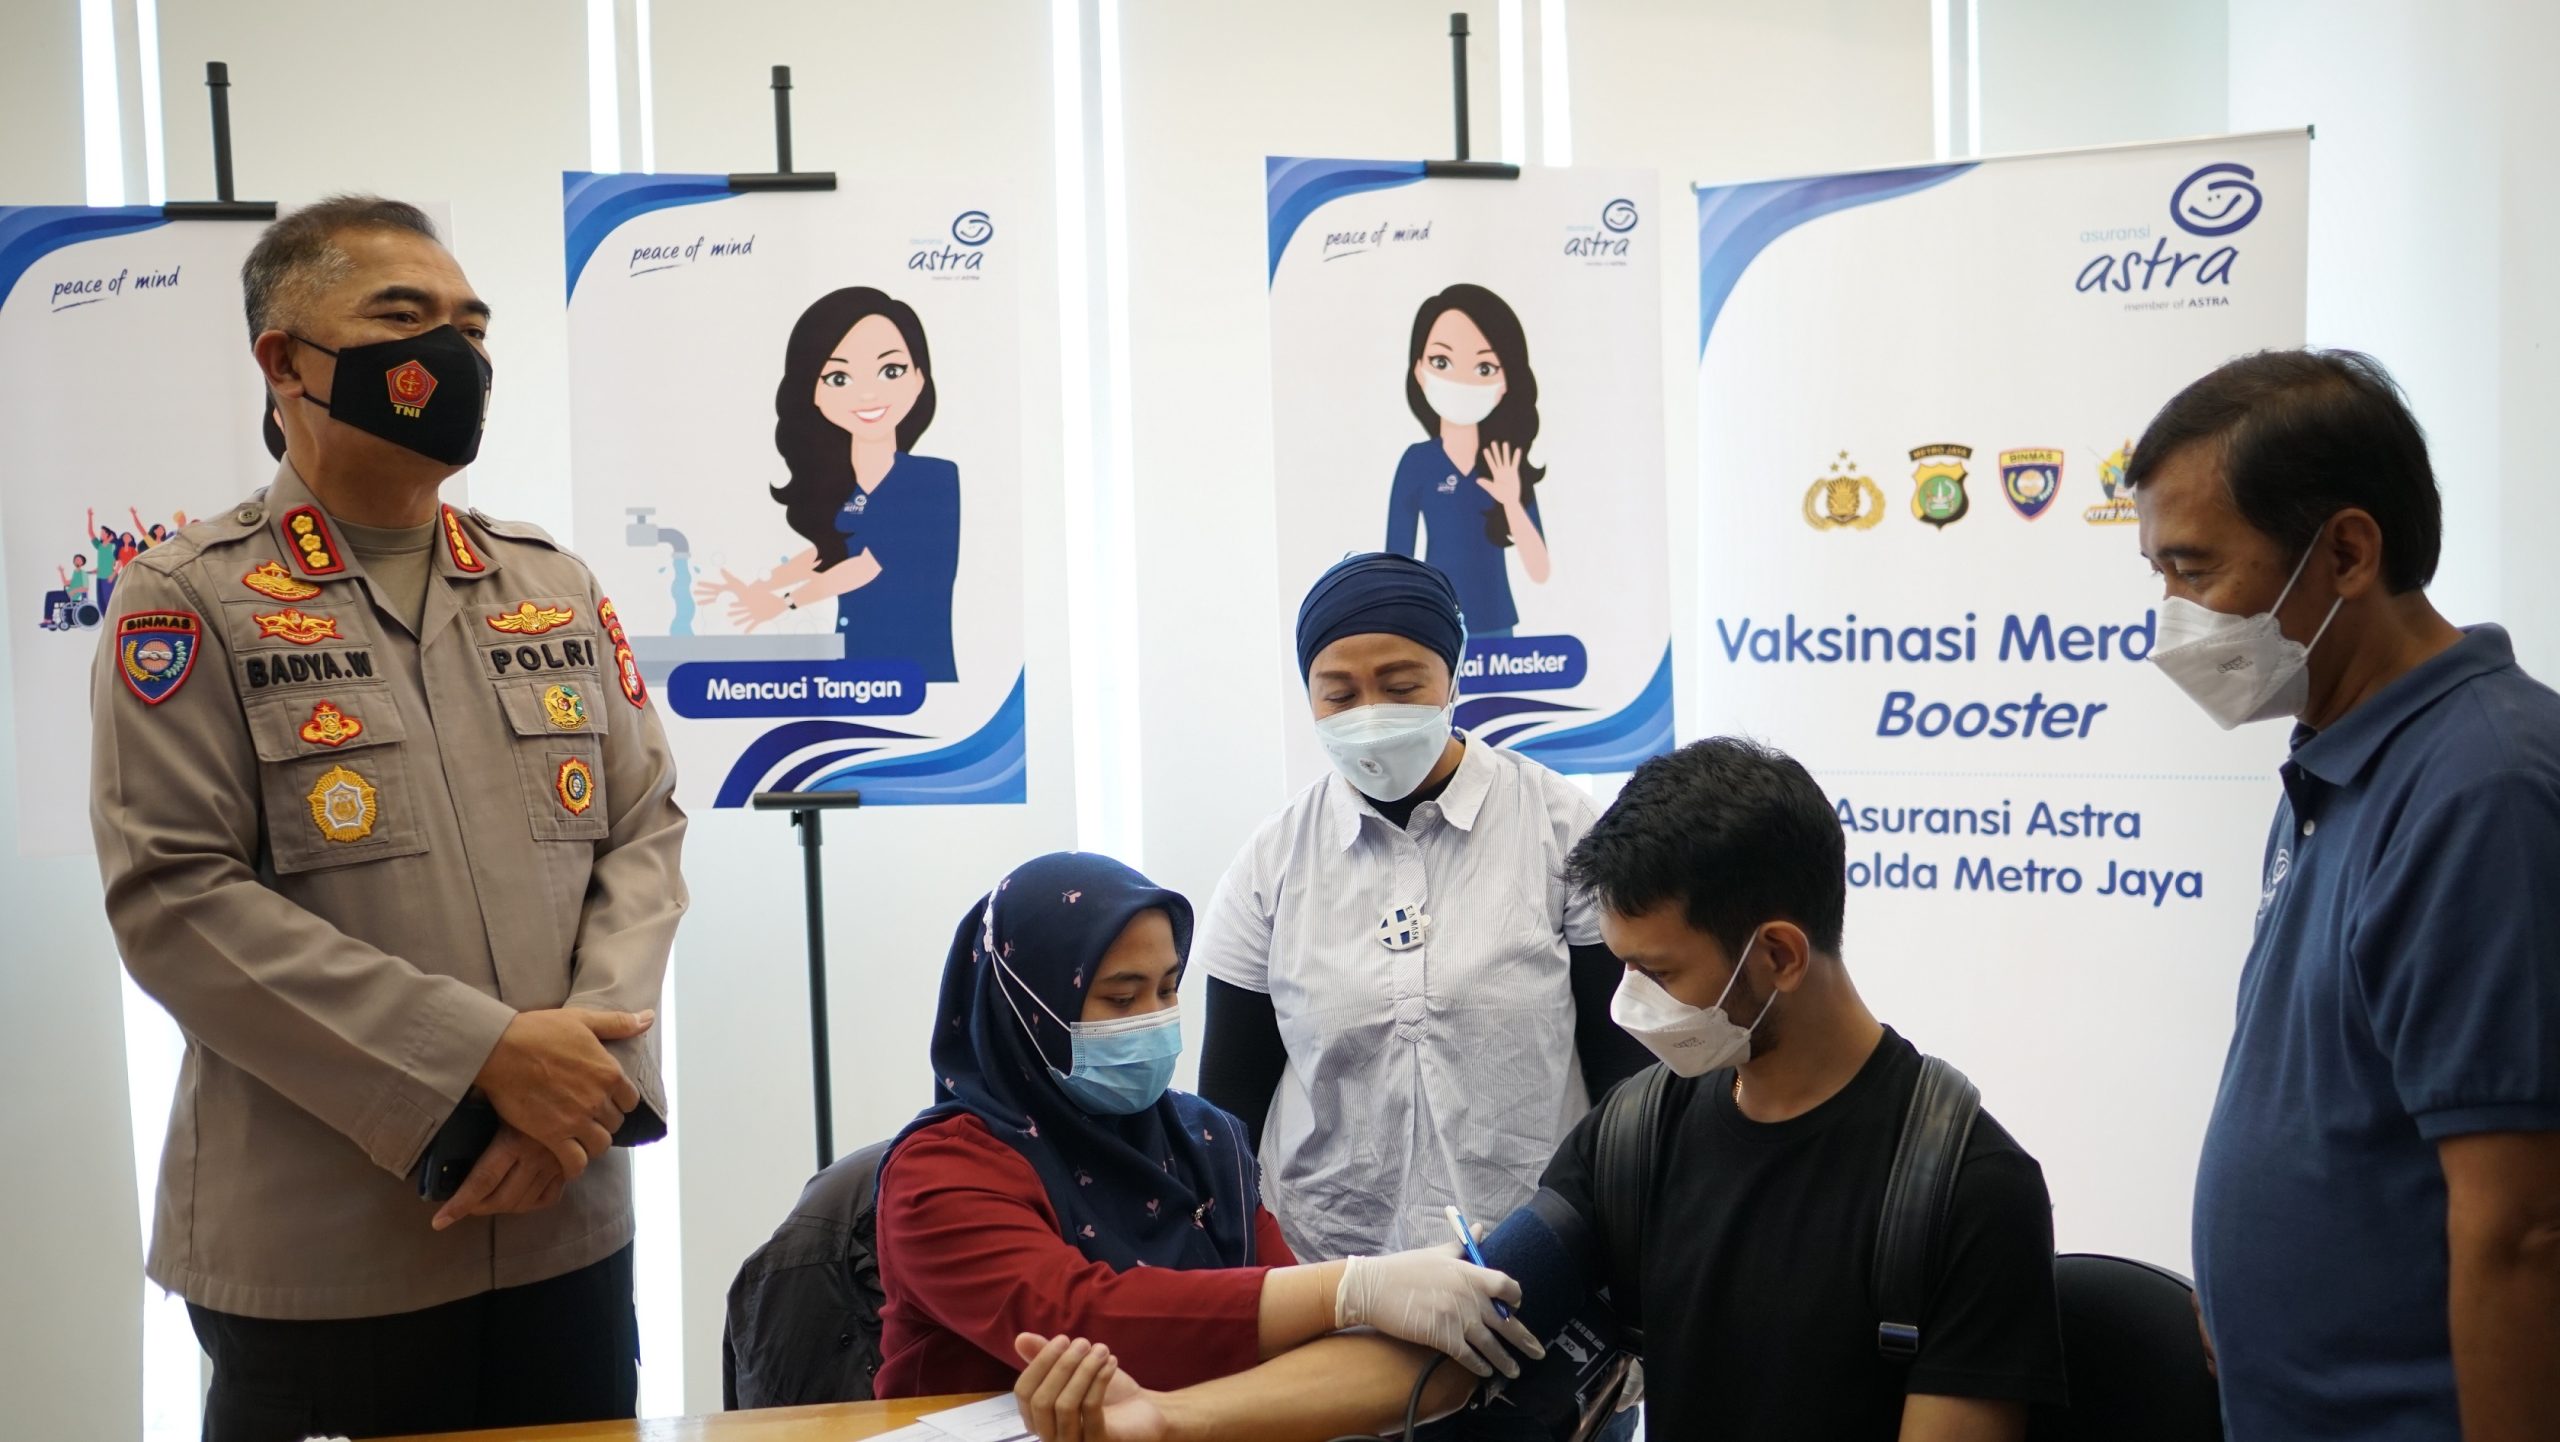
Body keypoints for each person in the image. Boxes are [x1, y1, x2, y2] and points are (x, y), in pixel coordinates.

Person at [88, 195, 688, 1441]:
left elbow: (644, 828)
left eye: (473, 323)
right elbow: (178, 901)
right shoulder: (188, 600)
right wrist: (478, 1061)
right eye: (404, 319)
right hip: (326, 1252)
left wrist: (580, 1074)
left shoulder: (550, 583)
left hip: (564, 1221)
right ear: (285, 360)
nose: (455, 352)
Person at [1012, 738, 2068, 1442]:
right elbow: (1447, 1343)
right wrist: (1158, 1417)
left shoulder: (1959, 1183)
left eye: (1657, 972)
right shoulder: (1641, 1135)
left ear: (1778, 952)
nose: (1630, 1007)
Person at [2127, 348, 2560, 1441]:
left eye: (2194, 568)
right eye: (2158, 576)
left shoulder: (2483, 786)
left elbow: (2523, 1224)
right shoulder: (2334, 751)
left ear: (2347, 552)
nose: (2168, 615)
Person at [871, 851, 1541, 1399]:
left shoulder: (1204, 1138)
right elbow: (1082, 1321)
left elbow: (1292, 1332)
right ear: (1027, 1008)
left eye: (1167, 989)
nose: (1155, 1017)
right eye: (1120, 997)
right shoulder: (941, 1174)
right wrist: (1353, 1287)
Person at [1196, 555, 1649, 1280]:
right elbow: (1229, 1108)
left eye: (1402, 686)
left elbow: (1626, 1070)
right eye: (1338, 694)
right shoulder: (1271, 865)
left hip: (1535, 1260)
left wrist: (1619, 1246)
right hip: (1327, 1273)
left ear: (1453, 678)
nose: (1370, 714)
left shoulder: (1563, 830)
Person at [696, 286, 962, 682]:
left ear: (919, 378)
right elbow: (835, 549)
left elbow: (867, 566)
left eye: (891, 371)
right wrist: (762, 584)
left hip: (917, 671)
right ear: (814, 393)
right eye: (839, 377)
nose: (868, 392)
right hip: (860, 666)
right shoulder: (852, 492)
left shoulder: (931, 479)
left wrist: (782, 603)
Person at [1384, 284, 1551, 638]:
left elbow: (1539, 568)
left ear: (1505, 381)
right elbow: (1395, 562)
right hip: (1435, 626)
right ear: (1419, 370)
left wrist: (1510, 500)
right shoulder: (1417, 462)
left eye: (1485, 366)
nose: (1460, 380)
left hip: (1496, 624)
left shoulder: (1506, 462)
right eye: (1441, 362)